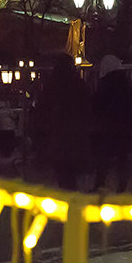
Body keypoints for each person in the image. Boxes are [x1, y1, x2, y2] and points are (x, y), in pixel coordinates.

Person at [34, 54, 91, 190]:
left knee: (62, 168)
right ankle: (72, 191)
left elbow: (43, 107)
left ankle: (66, 189)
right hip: (76, 130)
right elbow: (87, 104)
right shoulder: (78, 83)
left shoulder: (52, 84)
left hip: (57, 131)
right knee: (73, 166)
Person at [90, 55, 132, 192]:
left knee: (103, 157)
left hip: (108, 127)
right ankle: (122, 186)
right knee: (122, 158)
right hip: (124, 127)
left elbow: (97, 105)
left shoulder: (105, 84)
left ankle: (99, 184)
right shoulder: (126, 82)